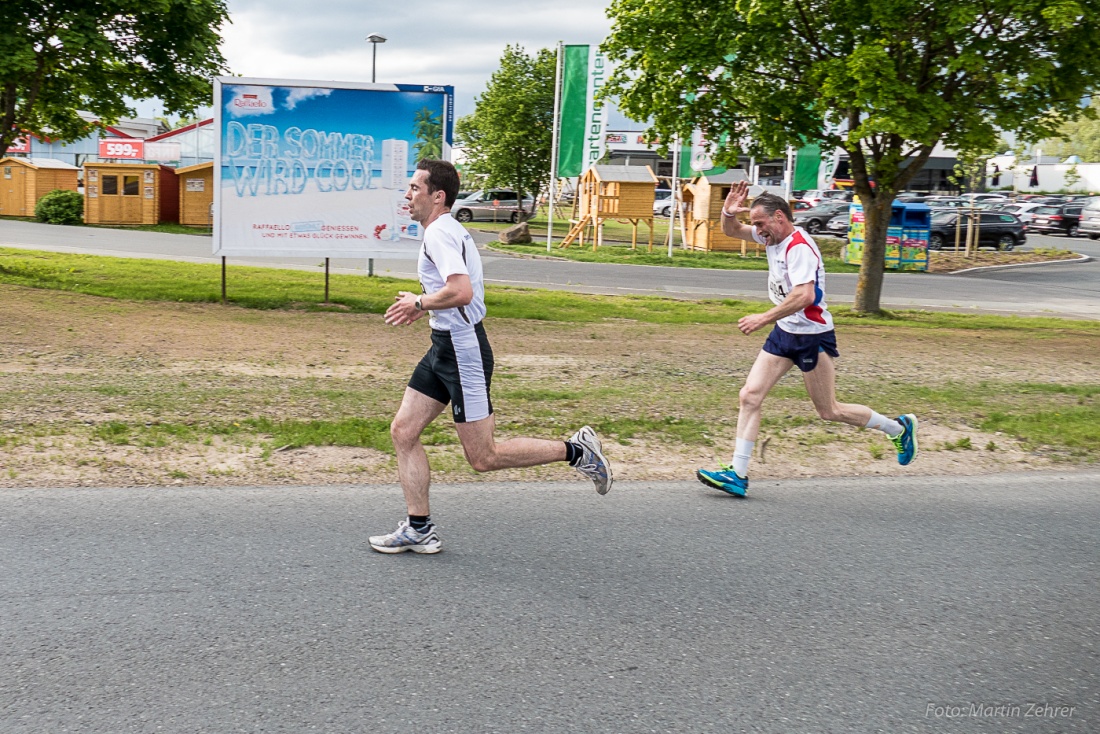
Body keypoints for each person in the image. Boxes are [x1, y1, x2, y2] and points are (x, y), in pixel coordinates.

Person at [369, 160, 612, 554]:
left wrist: (419, 300)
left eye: (415, 188)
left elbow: (460, 291)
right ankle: (419, 528)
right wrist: (426, 307)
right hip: (443, 345)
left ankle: (577, 450)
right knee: (403, 431)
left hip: (462, 350)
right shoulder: (443, 231)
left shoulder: (440, 235)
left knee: (483, 457)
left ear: (438, 196)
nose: (408, 195)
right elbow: (454, 295)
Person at [696, 181, 918, 497]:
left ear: (780, 218)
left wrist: (762, 317)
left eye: (760, 223)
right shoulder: (771, 236)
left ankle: (898, 428)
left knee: (829, 411)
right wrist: (727, 212)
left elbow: (804, 295)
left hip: (811, 337)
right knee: (750, 395)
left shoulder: (799, 247)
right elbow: (732, 231)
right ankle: (738, 474)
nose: (757, 230)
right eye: (756, 224)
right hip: (785, 333)